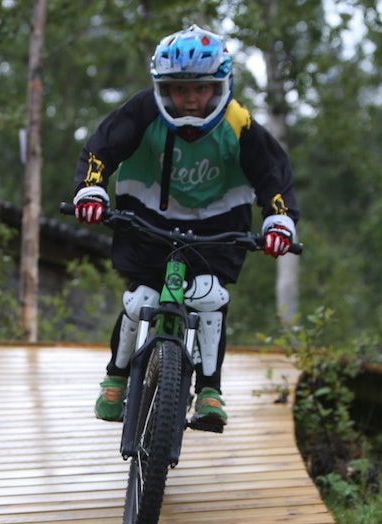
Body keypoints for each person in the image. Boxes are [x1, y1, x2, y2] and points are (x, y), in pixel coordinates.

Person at [72, 24, 300, 429]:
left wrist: (279, 219)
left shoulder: (238, 121)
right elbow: (101, 147)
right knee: (140, 298)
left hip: (216, 226)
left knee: (210, 298)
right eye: (180, 89)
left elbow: (272, 173)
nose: (191, 99)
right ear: (163, 88)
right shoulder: (143, 110)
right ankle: (116, 377)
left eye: (201, 88)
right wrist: (91, 190)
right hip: (146, 219)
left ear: (220, 86)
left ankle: (210, 390)